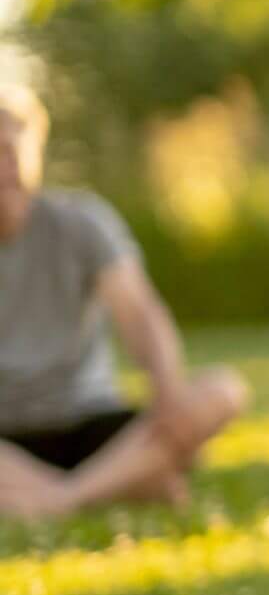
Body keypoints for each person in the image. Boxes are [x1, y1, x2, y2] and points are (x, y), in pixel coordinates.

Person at [0, 82, 249, 520]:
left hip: (92, 425)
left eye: (13, 148)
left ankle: (59, 498)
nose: (8, 165)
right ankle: (128, 483)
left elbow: (140, 314)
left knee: (222, 391)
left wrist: (168, 393)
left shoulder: (81, 223)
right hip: (8, 439)